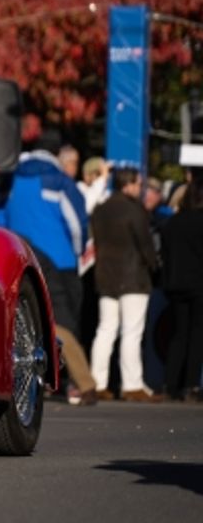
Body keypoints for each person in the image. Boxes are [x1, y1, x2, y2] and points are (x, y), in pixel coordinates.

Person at [0, 131, 96, 405]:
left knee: (27, 317)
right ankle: (71, 382)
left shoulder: (11, 179)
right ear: (57, 153)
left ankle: (38, 381)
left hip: (20, 255)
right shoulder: (59, 180)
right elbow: (76, 222)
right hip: (60, 260)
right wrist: (77, 251)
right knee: (64, 323)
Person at [89, 167, 162, 402]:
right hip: (133, 277)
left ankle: (97, 382)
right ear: (128, 184)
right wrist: (154, 265)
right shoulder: (135, 209)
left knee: (105, 330)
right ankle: (132, 385)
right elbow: (146, 245)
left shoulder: (101, 209)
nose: (140, 189)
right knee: (132, 332)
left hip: (105, 275)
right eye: (138, 184)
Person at [160, 173, 203, 402]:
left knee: (178, 334)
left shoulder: (171, 223)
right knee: (197, 335)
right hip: (198, 284)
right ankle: (191, 385)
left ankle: (170, 383)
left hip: (176, 284)